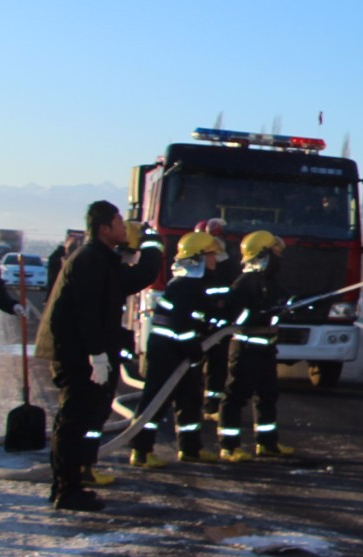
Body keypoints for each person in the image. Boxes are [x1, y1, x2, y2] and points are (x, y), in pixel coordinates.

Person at [34, 201, 163, 511]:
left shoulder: (102, 259)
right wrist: (97, 355)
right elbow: (86, 313)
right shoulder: (90, 260)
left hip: (84, 353)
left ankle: (72, 484)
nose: (124, 227)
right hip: (76, 355)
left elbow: (136, 278)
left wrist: (150, 243)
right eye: (119, 222)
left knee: (81, 419)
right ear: (105, 228)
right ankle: (66, 490)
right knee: (72, 421)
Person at [128, 231, 225, 468]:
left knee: (190, 400)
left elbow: (203, 314)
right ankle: (141, 452)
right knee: (155, 401)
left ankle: (190, 449)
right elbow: (180, 324)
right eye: (211, 254)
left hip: (181, 350)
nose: (216, 259)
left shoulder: (197, 284)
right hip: (167, 352)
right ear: (198, 258)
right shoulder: (183, 286)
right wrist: (192, 345)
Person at [217, 229, 292, 462]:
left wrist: (291, 304)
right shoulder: (244, 283)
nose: (279, 257)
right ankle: (229, 447)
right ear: (263, 254)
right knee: (235, 397)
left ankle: (267, 444)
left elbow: (279, 301)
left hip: (266, 349)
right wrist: (258, 314)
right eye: (275, 252)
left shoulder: (268, 281)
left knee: (267, 397)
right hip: (246, 350)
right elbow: (233, 317)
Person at [196, 219, 237, 420]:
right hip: (200, 326)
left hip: (217, 327)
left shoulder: (227, 263)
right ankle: (193, 403)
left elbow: (232, 292)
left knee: (217, 366)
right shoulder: (194, 265)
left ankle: (212, 404)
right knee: (193, 366)